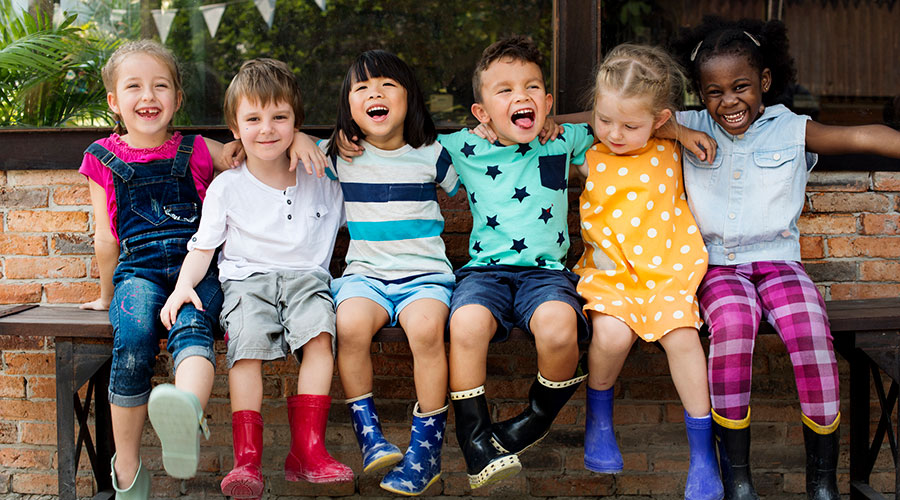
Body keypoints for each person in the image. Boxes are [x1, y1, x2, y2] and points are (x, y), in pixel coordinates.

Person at [672, 16, 900, 499]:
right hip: (718, 267)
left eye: (741, 87)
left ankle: (822, 483)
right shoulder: (684, 126)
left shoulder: (792, 128)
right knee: (732, 329)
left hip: (780, 263)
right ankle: (738, 480)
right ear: (698, 93)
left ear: (765, 82)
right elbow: (610, 117)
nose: (728, 101)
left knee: (811, 334)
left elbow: (862, 137)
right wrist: (548, 123)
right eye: (713, 92)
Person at [159, 58, 350, 498]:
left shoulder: (323, 171)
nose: (267, 129)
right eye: (253, 119)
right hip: (247, 282)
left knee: (321, 338)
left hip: (307, 280)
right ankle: (247, 462)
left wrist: (306, 139)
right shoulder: (228, 186)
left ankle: (308, 450)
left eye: (280, 118)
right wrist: (185, 285)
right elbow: (203, 246)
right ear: (234, 127)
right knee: (245, 351)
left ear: (296, 122)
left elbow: (360, 140)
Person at [78, 39, 240, 499]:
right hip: (140, 274)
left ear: (178, 98)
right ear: (114, 100)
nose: (148, 96)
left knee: (194, 323)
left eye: (160, 86)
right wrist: (109, 295)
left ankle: (185, 414)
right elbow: (107, 236)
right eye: (134, 86)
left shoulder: (199, 149)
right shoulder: (101, 157)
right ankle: (127, 466)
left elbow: (249, 148)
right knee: (132, 337)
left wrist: (304, 138)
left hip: (199, 271)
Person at [569, 43, 723, 500]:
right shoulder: (586, 154)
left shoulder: (670, 147)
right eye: (604, 119)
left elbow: (683, 126)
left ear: (658, 120)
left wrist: (676, 131)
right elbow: (549, 126)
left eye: (630, 124)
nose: (615, 133)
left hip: (669, 275)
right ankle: (598, 420)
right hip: (612, 274)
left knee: (685, 341)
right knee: (611, 337)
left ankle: (703, 455)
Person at [321, 49, 459, 496]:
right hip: (366, 275)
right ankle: (370, 436)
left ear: (409, 99)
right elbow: (284, 146)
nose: (374, 93)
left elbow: (477, 178)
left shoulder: (433, 154)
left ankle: (426, 453)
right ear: (348, 109)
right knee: (350, 325)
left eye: (387, 85)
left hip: (425, 276)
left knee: (425, 332)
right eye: (361, 87)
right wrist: (315, 140)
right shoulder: (340, 157)